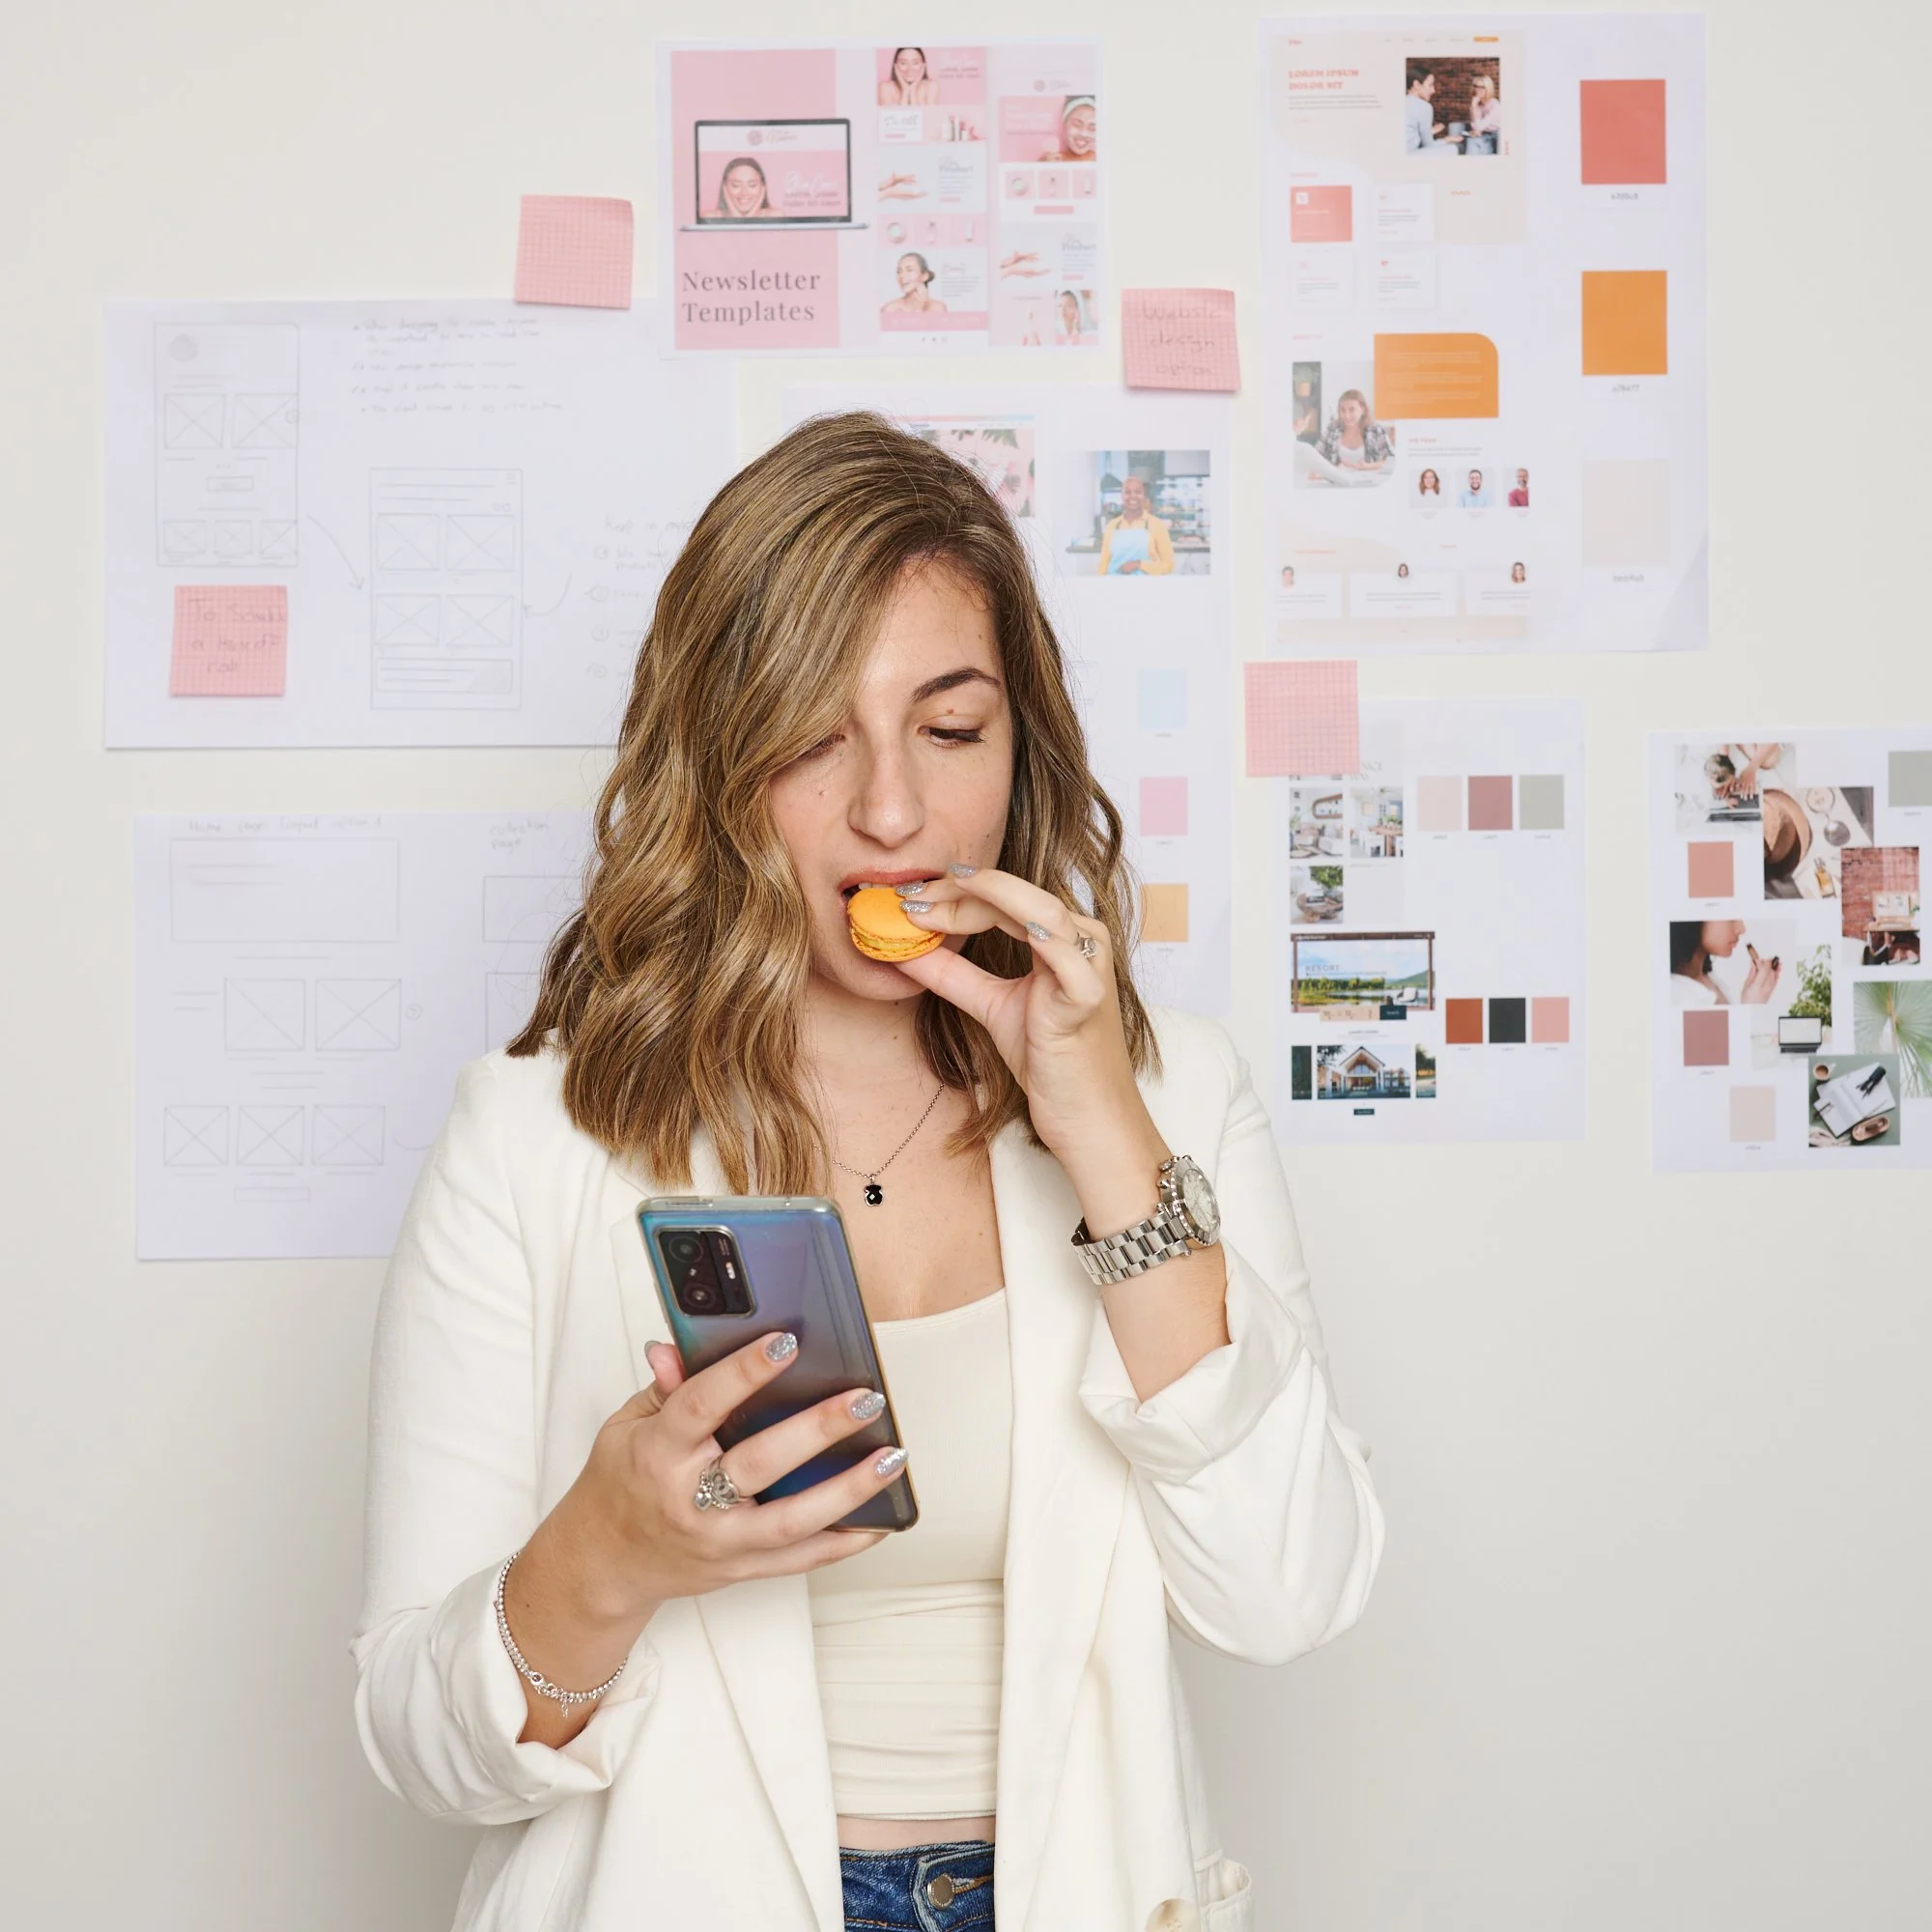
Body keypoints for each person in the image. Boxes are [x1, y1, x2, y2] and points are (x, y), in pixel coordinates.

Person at [352, 412, 1381, 1932]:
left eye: (950, 731)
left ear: (1020, 750)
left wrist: (1099, 1128)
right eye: (817, 739)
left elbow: (1288, 1596)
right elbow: (417, 1745)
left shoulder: (1168, 1098)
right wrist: (608, 1552)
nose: (893, 813)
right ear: (718, 759)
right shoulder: (531, 1140)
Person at [1669, 921, 1782, 1007]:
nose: (1741, 929)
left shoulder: (1710, 979)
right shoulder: (1673, 995)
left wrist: (1749, 999)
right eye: (1730, 918)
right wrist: (1752, 1006)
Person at [1096, 472, 1175, 575]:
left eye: (1138, 492)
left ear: (1143, 496)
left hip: (1147, 588)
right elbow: (1103, 566)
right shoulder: (1111, 526)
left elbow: (1168, 566)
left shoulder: (1157, 525)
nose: (1133, 496)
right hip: (1115, 587)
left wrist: (1139, 564)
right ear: (1122, 496)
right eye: (1127, 492)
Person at [1316, 389, 1393, 473]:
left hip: (1370, 484)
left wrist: (1367, 467)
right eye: (1343, 410)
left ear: (1362, 410)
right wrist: (1333, 468)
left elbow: (1391, 460)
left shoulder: (1376, 431)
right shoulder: (1332, 429)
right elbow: (1315, 456)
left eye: (1352, 410)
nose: (1347, 415)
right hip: (1338, 483)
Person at [882, 252, 947, 316]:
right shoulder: (890, 309)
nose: (902, 276)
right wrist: (918, 308)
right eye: (899, 271)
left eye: (909, 270)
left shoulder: (938, 308)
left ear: (924, 276)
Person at [716, 156, 777, 220]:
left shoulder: (774, 215)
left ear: (762, 188)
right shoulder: (711, 217)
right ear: (725, 188)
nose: (744, 193)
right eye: (735, 185)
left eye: (752, 185)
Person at [1038, 94, 1096, 161]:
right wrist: (1044, 165)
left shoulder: (1102, 159)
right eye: (1077, 125)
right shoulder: (1052, 160)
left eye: (1093, 128)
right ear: (1065, 125)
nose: (1083, 133)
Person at [1404, 71, 1448, 151]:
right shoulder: (1425, 106)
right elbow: (1428, 146)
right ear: (1416, 85)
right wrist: (1447, 140)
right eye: (1430, 85)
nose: (1433, 90)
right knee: (1456, 147)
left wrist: (1430, 132)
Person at [1465, 73, 1501, 153]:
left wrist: (1473, 106)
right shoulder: (1477, 104)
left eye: (1481, 87)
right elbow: (1475, 128)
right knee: (1471, 140)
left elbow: (1479, 127)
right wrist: (1474, 107)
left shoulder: (1495, 104)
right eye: (1475, 86)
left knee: (1473, 142)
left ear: (1488, 89)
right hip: (1483, 134)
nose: (1477, 90)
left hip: (1495, 136)